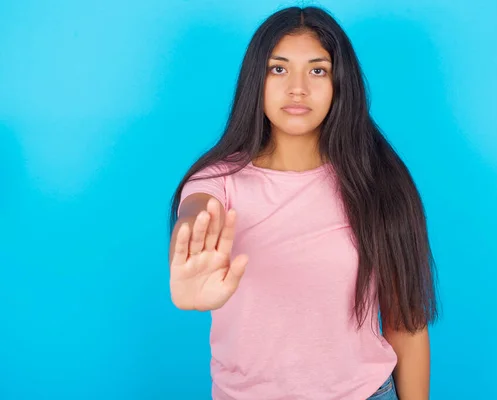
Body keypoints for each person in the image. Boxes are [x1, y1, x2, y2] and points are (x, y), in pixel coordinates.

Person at [168, 6, 438, 400]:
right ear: (254, 81)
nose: (297, 88)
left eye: (317, 70)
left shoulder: (380, 183)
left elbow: (406, 324)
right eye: (278, 69)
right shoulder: (217, 183)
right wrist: (189, 245)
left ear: (339, 83)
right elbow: (197, 212)